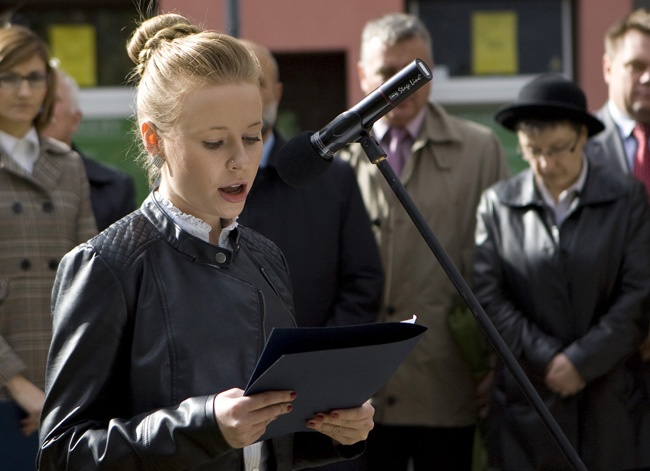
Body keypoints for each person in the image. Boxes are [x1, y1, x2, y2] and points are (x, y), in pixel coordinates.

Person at [37, 13, 374, 470]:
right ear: (154, 140)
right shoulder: (106, 265)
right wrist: (203, 425)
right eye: (215, 143)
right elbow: (61, 454)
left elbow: (265, 442)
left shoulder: (266, 257)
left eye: (254, 137)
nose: (241, 161)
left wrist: (339, 432)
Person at [337, 12, 509, 471]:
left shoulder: (480, 150)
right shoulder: (335, 156)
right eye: (384, 72)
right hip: (359, 393)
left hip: (449, 384)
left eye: (411, 70)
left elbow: (500, 268)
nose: (399, 86)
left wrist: (498, 365)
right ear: (361, 75)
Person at [474, 73, 650, 470]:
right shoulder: (498, 205)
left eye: (559, 150)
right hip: (528, 403)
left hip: (611, 403)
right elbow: (487, 299)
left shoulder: (626, 199)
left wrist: (582, 362)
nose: (546, 164)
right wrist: (549, 359)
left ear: (583, 138)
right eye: (532, 151)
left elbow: (638, 295)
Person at [0, 24, 97, 471]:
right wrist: (18, 385)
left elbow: (90, 280)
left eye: (35, 77)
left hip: (65, 385)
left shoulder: (68, 164)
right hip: (7, 389)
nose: (24, 90)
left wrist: (70, 386)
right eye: (9, 77)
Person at [238, 39, 384, 331]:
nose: (247, 96)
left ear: (277, 93)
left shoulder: (333, 180)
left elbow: (363, 283)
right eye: (237, 84)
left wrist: (318, 357)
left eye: (258, 83)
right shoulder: (195, 186)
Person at [42, 64, 137, 231]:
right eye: (40, 100)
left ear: (75, 120)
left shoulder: (114, 189)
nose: (43, 110)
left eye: (53, 100)